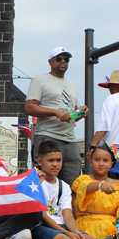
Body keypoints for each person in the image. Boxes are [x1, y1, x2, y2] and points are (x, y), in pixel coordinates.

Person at [33, 140, 97, 239]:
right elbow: (41, 214)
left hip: (61, 226)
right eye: (51, 160)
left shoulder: (64, 186)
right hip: (40, 226)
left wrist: (76, 231)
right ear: (40, 161)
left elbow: (67, 213)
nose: (55, 164)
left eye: (58, 160)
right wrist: (68, 234)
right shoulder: (35, 182)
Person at [25, 47, 88, 187]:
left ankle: (67, 209)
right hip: (48, 136)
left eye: (66, 58)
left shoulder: (71, 85)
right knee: (45, 182)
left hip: (70, 139)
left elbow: (70, 115)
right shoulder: (40, 80)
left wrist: (80, 112)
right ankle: (44, 209)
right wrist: (55, 112)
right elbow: (29, 107)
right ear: (50, 61)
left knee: (73, 185)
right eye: (59, 58)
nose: (63, 61)